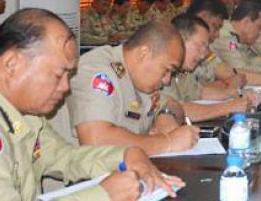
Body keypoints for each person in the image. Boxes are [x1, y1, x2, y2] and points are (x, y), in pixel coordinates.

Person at [0, 8, 182, 200]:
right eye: (58, 74)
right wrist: (103, 195)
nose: (65, 87)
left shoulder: (24, 113)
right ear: (12, 64)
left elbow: (64, 156)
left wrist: (126, 154)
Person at [68, 21, 199, 155]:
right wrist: (168, 142)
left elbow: (170, 103)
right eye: (167, 70)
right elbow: (95, 140)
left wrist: (166, 115)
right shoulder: (97, 72)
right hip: (86, 174)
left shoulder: (139, 77)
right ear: (143, 53)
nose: (167, 80)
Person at [162, 14, 260, 122]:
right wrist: (229, 107)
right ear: (179, 40)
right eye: (199, 46)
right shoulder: (163, 71)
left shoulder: (184, 71)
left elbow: (200, 92)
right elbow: (176, 109)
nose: (203, 55)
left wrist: (235, 93)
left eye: (205, 48)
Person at [214, 0, 261, 84]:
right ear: (246, 22)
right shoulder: (225, 36)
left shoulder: (241, 37)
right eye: (259, 26)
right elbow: (239, 67)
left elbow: (249, 60)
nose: (260, 32)